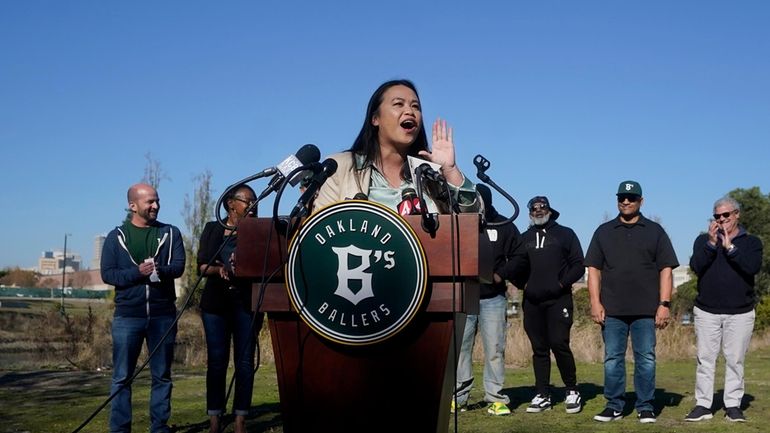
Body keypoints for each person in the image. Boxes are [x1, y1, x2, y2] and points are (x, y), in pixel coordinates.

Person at [585, 180, 678, 424]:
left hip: (646, 310)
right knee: (612, 358)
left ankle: (645, 406)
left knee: (645, 358)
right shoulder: (603, 232)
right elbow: (593, 270)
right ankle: (614, 405)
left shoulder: (655, 232)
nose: (626, 201)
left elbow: (666, 269)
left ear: (641, 201)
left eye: (632, 198)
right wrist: (595, 302)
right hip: (612, 310)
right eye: (622, 198)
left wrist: (664, 304)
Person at [312, 79, 480, 214]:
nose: (410, 111)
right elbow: (321, 229)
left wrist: (449, 171)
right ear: (375, 119)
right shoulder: (339, 167)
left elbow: (473, 221)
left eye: (416, 106)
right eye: (399, 104)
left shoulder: (431, 173)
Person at [101, 183, 186, 433]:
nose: (156, 206)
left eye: (157, 201)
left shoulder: (171, 233)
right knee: (121, 377)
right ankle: (120, 429)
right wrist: (136, 273)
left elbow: (179, 266)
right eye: (150, 202)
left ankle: (159, 427)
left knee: (162, 375)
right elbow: (108, 274)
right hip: (128, 317)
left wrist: (160, 270)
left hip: (163, 316)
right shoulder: (115, 237)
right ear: (133, 205)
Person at [496, 196, 585, 414]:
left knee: (559, 343)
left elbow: (578, 265)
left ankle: (572, 390)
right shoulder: (524, 238)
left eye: (542, 207)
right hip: (533, 302)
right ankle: (542, 394)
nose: (538, 211)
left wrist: (561, 284)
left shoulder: (566, 234)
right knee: (539, 349)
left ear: (550, 210)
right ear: (529, 213)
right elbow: (516, 266)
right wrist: (520, 283)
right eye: (533, 208)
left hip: (559, 300)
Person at [685, 196, 763, 423]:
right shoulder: (702, 241)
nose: (721, 220)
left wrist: (730, 248)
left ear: (736, 215)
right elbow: (695, 267)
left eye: (726, 215)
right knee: (705, 359)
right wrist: (711, 244)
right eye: (717, 216)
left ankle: (732, 405)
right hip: (707, 311)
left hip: (740, 312)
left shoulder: (751, 242)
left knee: (734, 360)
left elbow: (752, 267)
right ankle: (703, 405)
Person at [198, 184, 263, 433]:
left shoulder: (257, 231)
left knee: (244, 363)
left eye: (256, 201)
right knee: (217, 362)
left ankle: (240, 421)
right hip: (215, 306)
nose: (253, 206)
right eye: (248, 201)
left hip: (246, 305)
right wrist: (219, 269)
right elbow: (202, 266)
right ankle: (215, 419)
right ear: (231, 204)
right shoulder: (213, 229)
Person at [453, 184, 520, 416]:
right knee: (461, 348)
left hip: (493, 298)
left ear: (487, 200)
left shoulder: (504, 225)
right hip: (465, 295)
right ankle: (459, 397)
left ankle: (496, 398)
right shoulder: (459, 222)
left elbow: (520, 255)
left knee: (495, 349)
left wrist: (501, 274)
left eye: (480, 199)